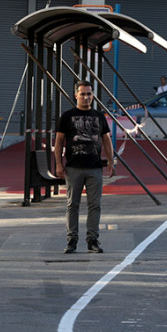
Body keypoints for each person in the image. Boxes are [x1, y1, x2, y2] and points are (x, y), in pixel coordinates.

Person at [54, 81, 115, 254]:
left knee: (95, 205)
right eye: (83, 94)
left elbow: (106, 140)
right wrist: (59, 164)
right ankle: (71, 240)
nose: (86, 97)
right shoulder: (67, 116)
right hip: (73, 168)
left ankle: (92, 240)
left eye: (89, 94)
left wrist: (111, 161)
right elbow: (58, 142)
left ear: (92, 96)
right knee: (72, 204)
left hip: (95, 167)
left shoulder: (99, 116)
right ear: (76, 95)